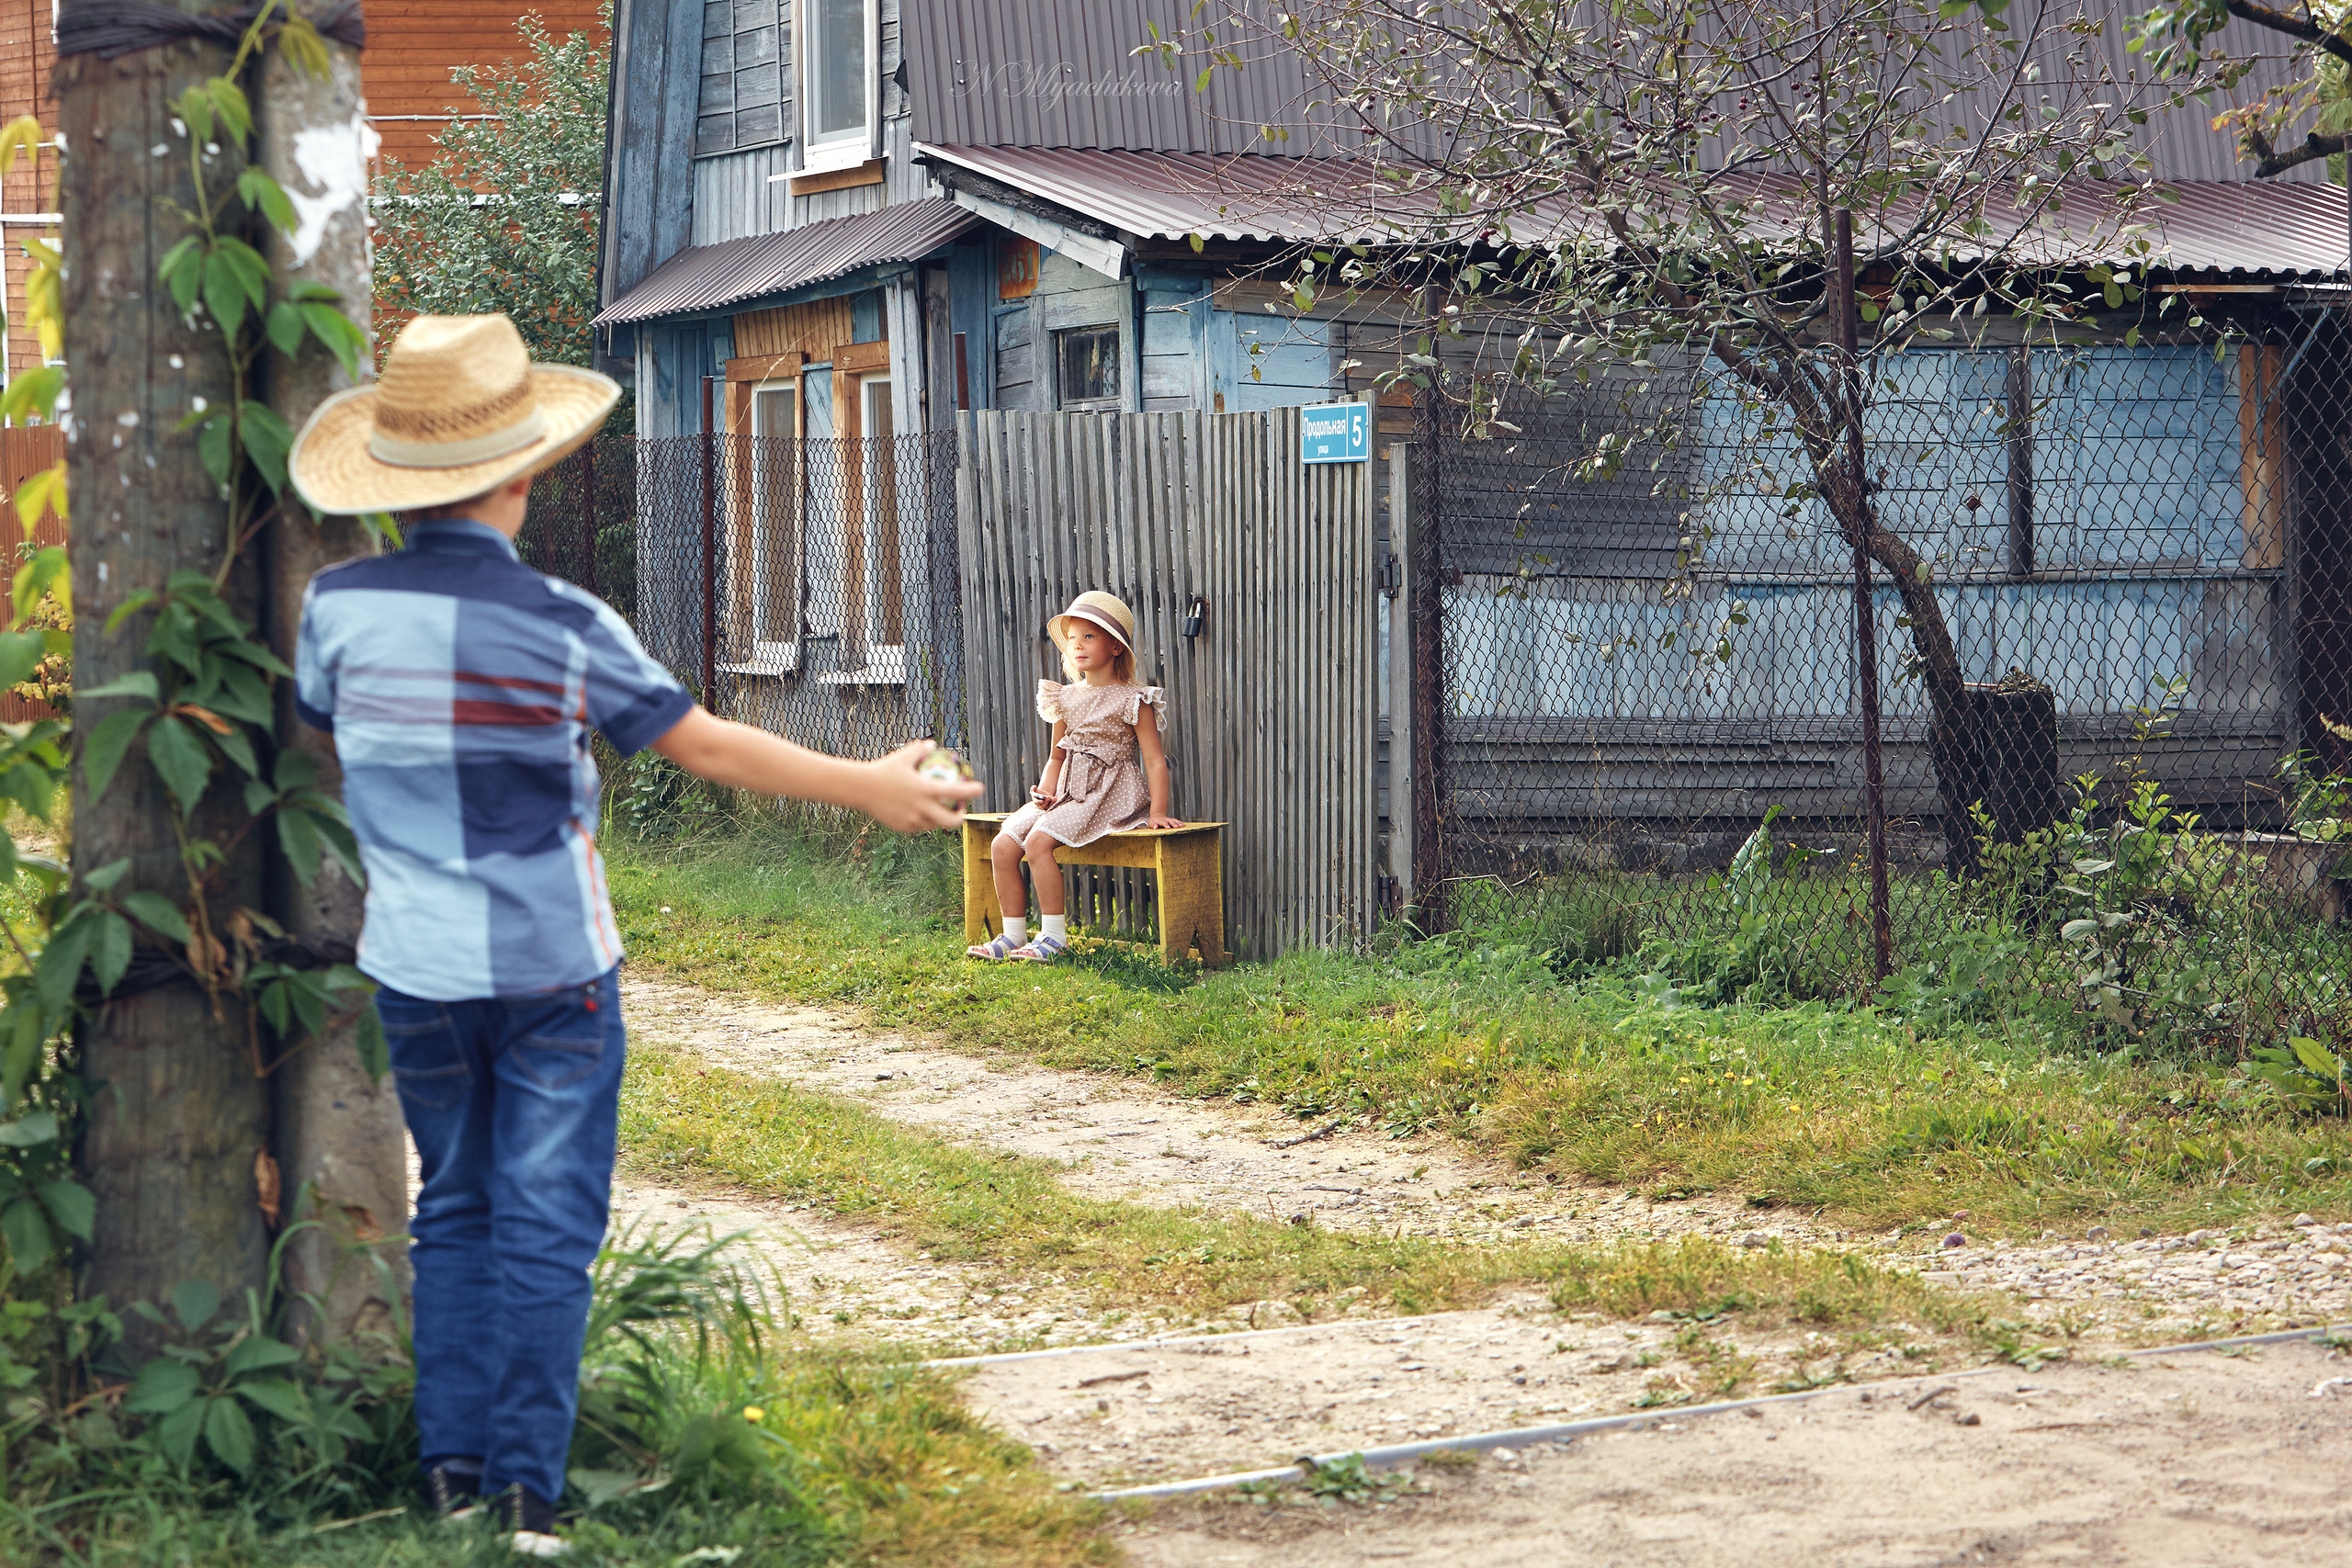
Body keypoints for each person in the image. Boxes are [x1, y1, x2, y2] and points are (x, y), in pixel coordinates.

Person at [288, 313, 980, 1556]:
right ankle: (526, 1501)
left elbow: (330, 733)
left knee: (455, 1208)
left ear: (395, 479)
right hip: (555, 973)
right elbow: (701, 745)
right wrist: (871, 784)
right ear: (522, 474)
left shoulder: (335, 609)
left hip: (415, 972)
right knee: (546, 1230)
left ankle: (450, 1479)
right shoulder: (564, 622)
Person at [967, 591, 1180, 963]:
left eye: (1089, 636)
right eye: (1072, 638)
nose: (1077, 645)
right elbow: (1057, 756)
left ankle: (1054, 938)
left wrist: (1157, 811)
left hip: (1110, 794)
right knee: (1003, 845)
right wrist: (1046, 790)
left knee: (1037, 843)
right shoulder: (1063, 697)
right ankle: (1013, 935)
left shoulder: (1133, 699)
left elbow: (1154, 760)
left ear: (1116, 647)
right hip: (1067, 793)